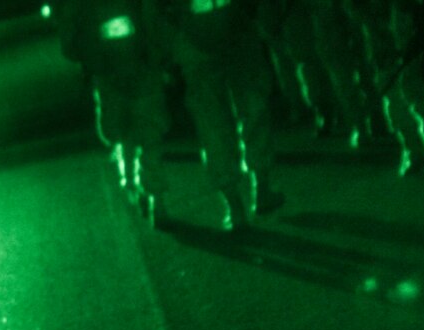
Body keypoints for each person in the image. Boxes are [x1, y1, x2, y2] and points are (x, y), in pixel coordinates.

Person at [150, 0, 286, 232]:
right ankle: (252, 194)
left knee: (220, 123)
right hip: (220, 32)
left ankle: (240, 204)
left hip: (213, 33)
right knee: (243, 114)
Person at [56, 0, 173, 228]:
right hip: (122, 64)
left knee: (140, 130)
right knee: (132, 130)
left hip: (129, 63)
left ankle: (148, 192)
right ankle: (141, 188)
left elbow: (69, 39)